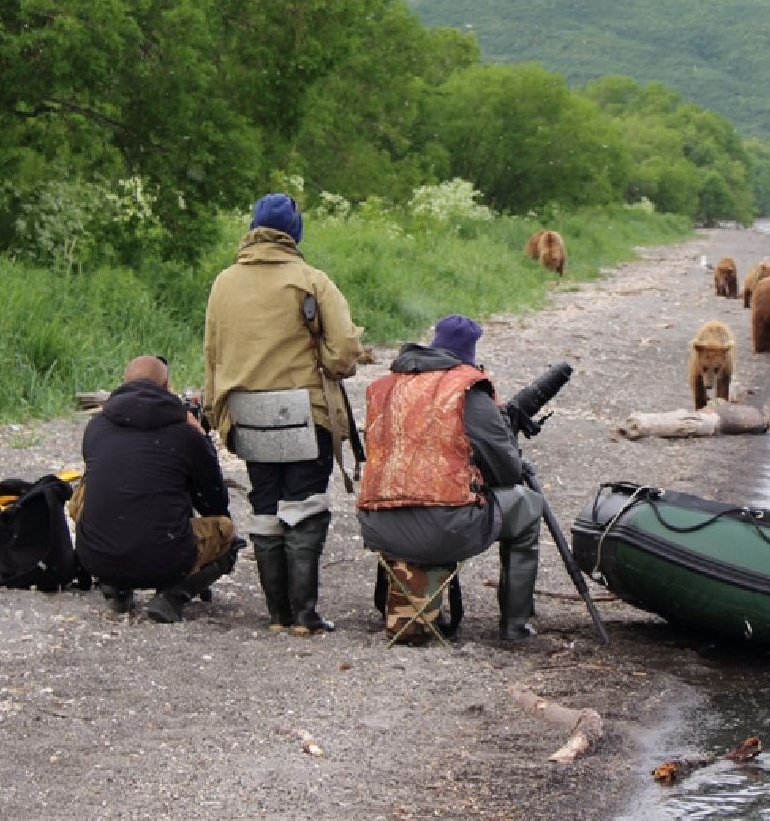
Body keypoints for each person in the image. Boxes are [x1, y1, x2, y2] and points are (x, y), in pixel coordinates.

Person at [203, 192, 363, 634]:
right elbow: (345, 352)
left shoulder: (223, 283)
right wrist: (333, 364)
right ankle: (305, 615)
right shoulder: (312, 280)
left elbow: (212, 354)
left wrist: (216, 412)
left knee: (266, 504)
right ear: (294, 232)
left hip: (245, 413)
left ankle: (276, 615)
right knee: (306, 504)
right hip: (303, 413)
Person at [358, 314, 546, 641]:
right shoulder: (466, 388)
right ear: (469, 355)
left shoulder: (384, 385)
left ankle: (405, 602)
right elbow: (507, 470)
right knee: (529, 508)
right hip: (442, 527)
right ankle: (515, 625)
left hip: (378, 526)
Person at [74, 355, 241, 623]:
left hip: (95, 557)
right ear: (167, 386)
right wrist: (202, 441)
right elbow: (214, 503)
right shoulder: (185, 433)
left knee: (85, 491)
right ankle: (174, 594)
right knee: (228, 534)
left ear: (124, 383)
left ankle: (115, 587)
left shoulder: (97, 426)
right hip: (167, 561)